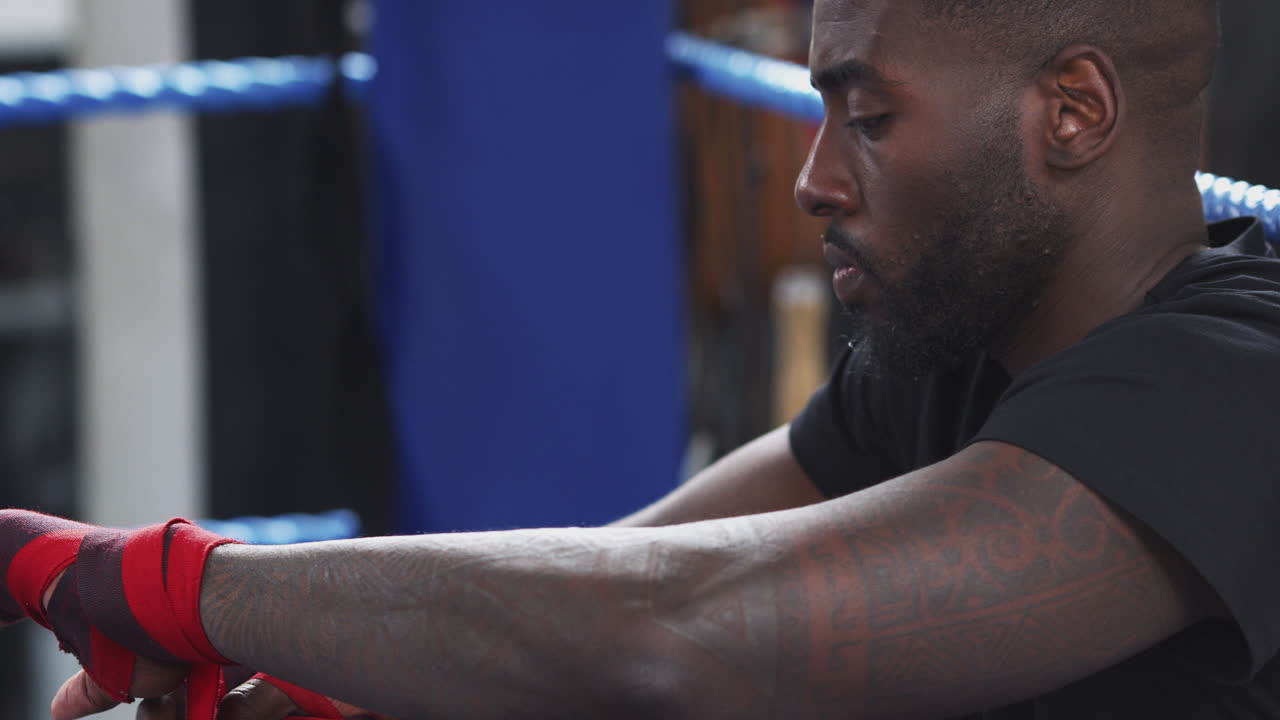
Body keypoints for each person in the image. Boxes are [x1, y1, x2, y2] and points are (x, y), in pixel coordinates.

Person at [5, 0, 1276, 717]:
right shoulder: (948, 354)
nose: (813, 178)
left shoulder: (1235, 382)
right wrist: (319, 685)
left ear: (1071, 112)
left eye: (870, 118)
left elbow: (678, 629)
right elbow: (631, 562)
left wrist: (178, 585)